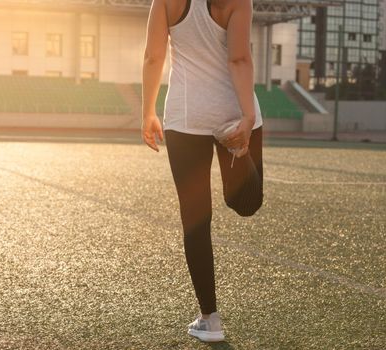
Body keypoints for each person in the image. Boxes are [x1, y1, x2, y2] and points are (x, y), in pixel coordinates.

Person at [142, 0, 263, 342]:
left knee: (196, 221)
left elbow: (153, 55)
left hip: (187, 116)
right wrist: (247, 117)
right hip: (233, 112)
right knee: (246, 202)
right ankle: (239, 151)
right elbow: (239, 58)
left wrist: (147, 111)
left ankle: (210, 320)